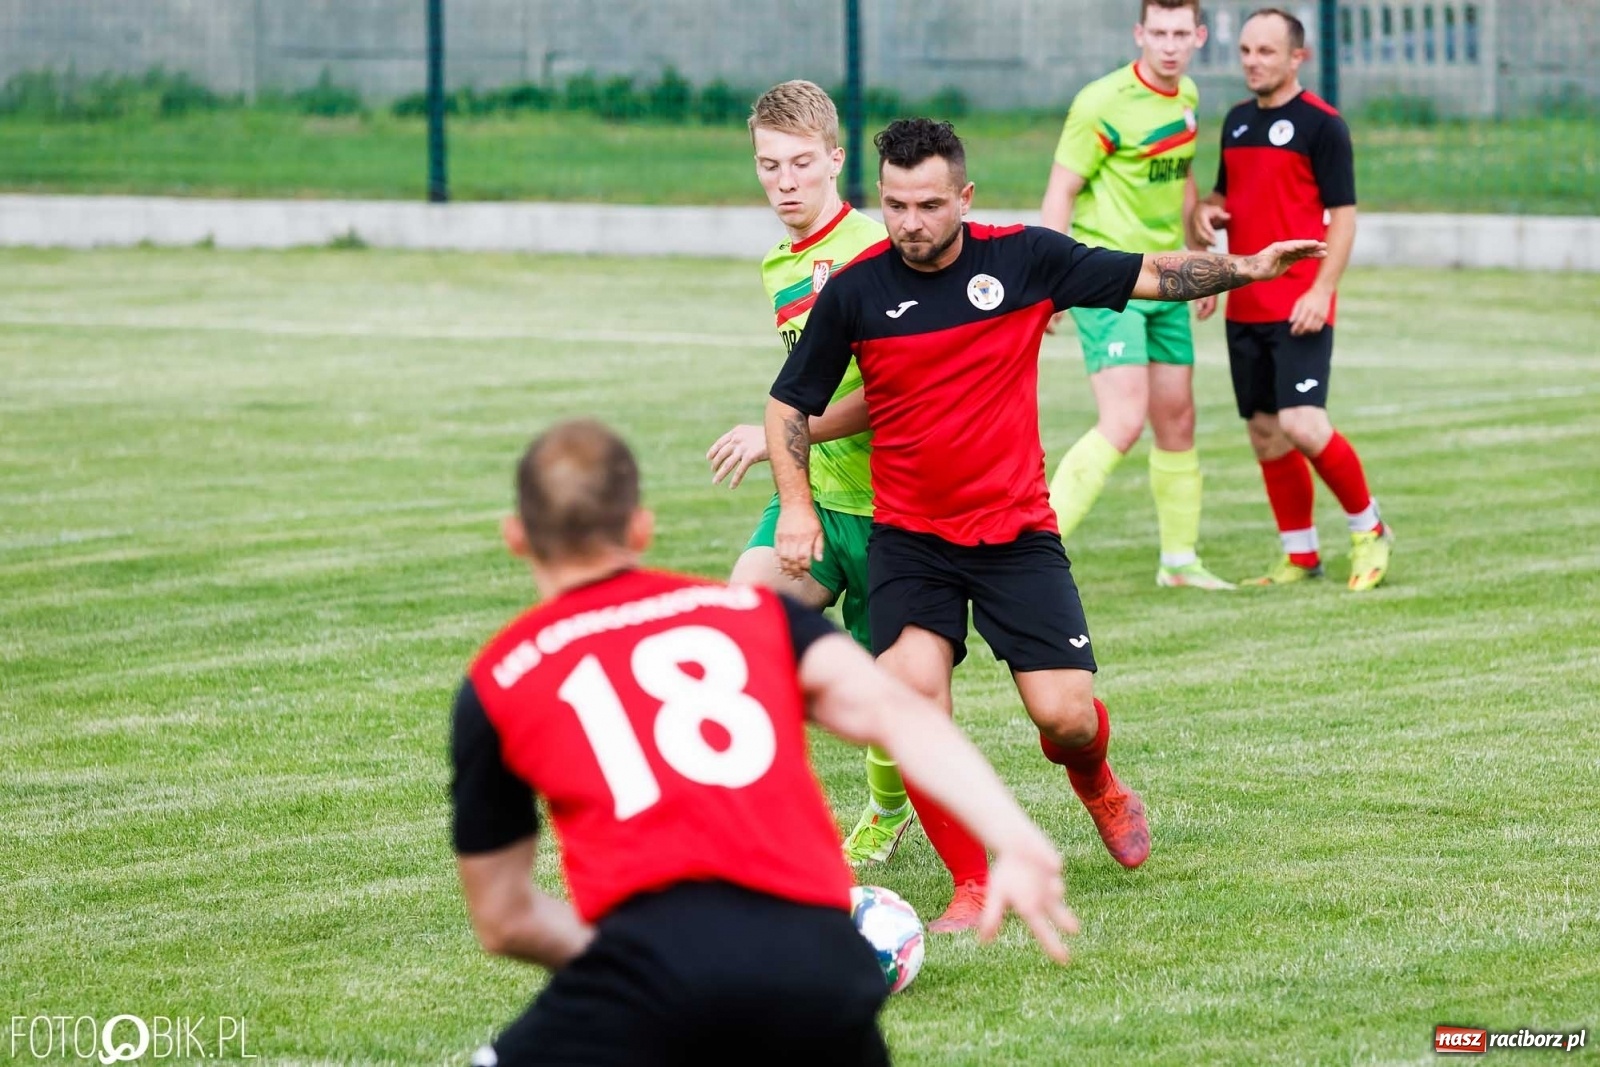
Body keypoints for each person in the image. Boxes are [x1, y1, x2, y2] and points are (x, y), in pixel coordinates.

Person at [765, 118, 1323, 931]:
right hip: (912, 539)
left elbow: (1151, 273)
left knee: (1062, 714)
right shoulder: (855, 289)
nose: (909, 222)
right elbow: (790, 401)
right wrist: (796, 504)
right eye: (893, 204)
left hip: (1016, 532)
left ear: (966, 197)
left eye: (927, 204)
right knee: (911, 695)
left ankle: (1095, 779)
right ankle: (971, 884)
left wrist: (1246, 267)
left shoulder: (1024, 258)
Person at [451, 418, 1081, 1066]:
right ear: (640, 527)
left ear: (516, 537)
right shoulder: (754, 615)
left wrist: (649, 961)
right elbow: (899, 712)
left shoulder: (501, 679)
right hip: (823, 965)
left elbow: (503, 918)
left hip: (651, 979)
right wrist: (1017, 837)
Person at [704, 80, 917, 866]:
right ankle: (753, 816)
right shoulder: (777, 262)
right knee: (740, 626)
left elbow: (888, 396)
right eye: (768, 165)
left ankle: (888, 808)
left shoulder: (873, 251)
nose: (783, 182)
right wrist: (790, 450)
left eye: (800, 163)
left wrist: (780, 431)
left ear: (835, 159)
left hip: (894, 508)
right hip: (815, 497)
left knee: (892, 688)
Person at [1191, 7, 1394, 590]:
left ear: (1296, 58)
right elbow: (1226, 198)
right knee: (1264, 432)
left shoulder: (1323, 126)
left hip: (1300, 304)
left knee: (1304, 423)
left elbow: (1345, 220)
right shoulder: (1234, 122)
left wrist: (1322, 289)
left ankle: (1369, 529)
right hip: (1246, 304)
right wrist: (1207, 217)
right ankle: (1301, 555)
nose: (1253, 62)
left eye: (1267, 52)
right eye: (1246, 51)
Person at [1041, 0, 1234, 590]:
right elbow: (1060, 194)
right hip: (1109, 280)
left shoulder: (1189, 98)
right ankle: (1025, 551)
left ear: (1199, 36)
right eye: (1159, 33)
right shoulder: (1101, 104)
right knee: (1123, 422)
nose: (1170, 45)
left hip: (1168, 278)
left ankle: (1179, 563)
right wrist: (1049, 284)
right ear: (1139, 34)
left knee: (1177, 420)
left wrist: (1199, 258)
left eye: (1181, 33)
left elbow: (1179, 172)